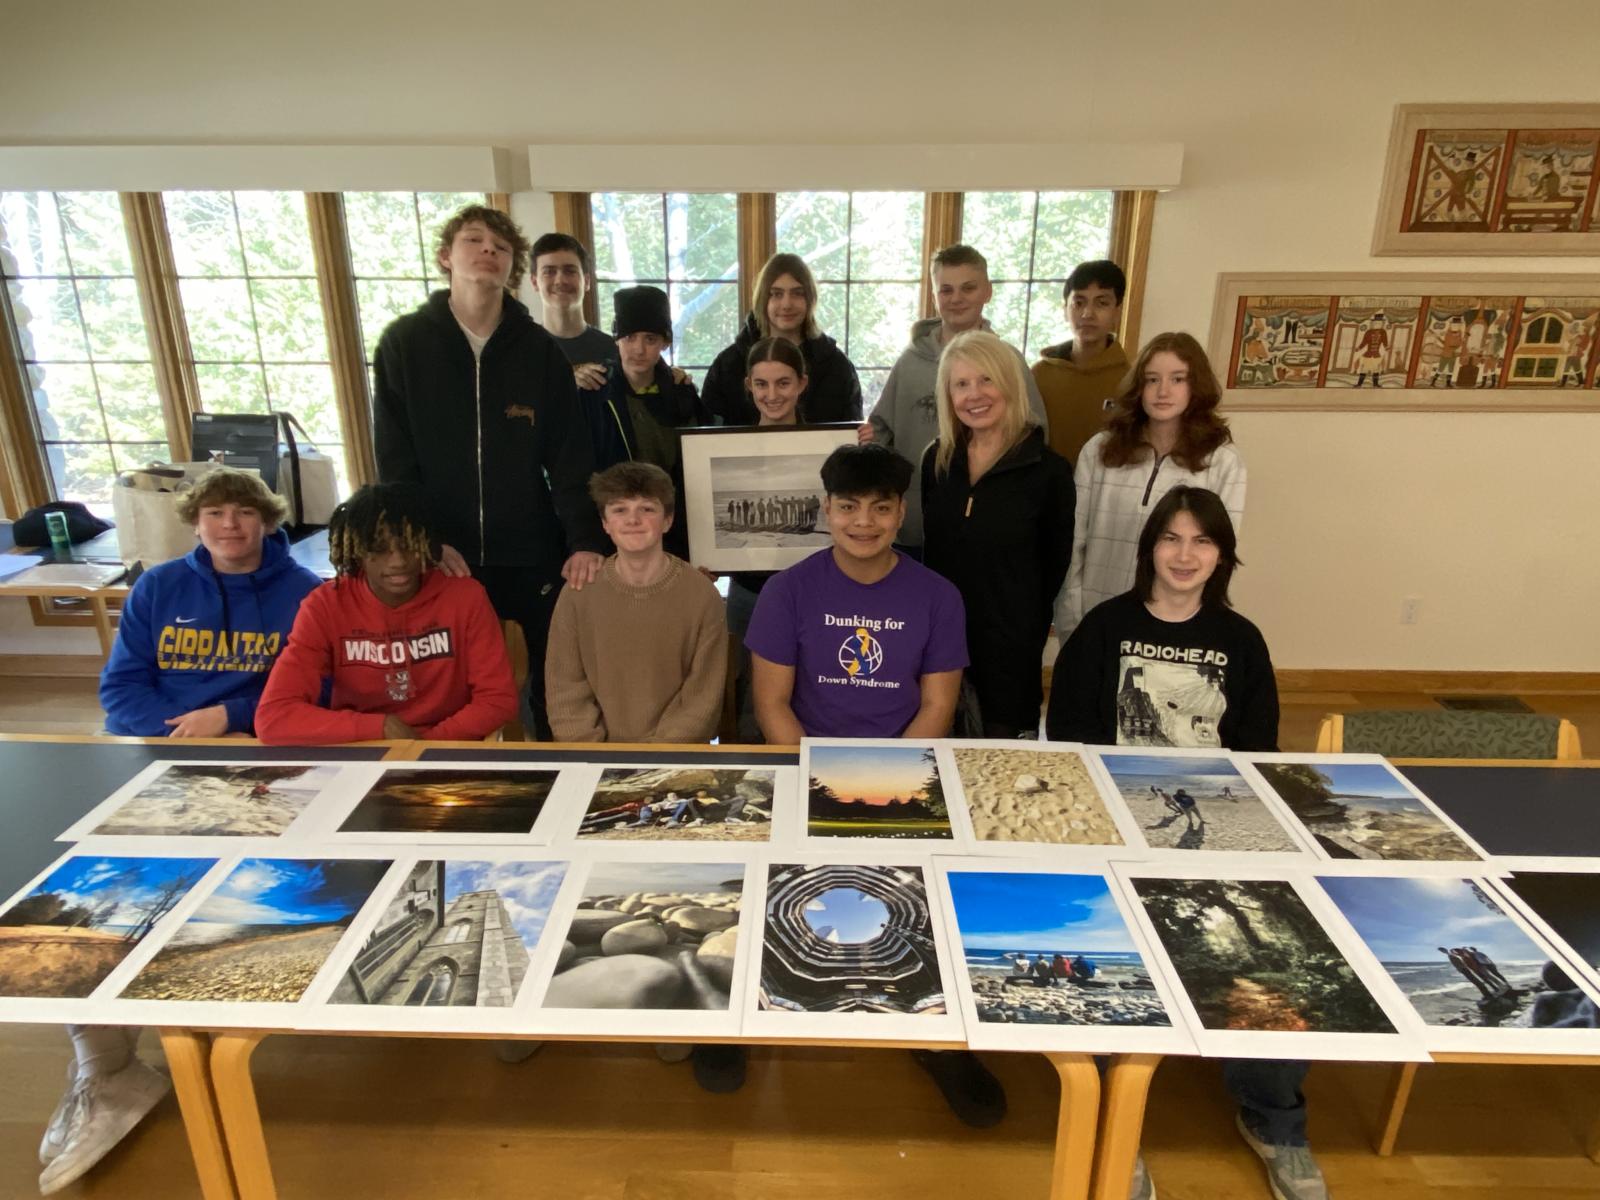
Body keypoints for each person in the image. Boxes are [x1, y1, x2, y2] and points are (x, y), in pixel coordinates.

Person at [1045, 489, 1323, 1200]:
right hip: (1110, 821)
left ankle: (1275, 1123)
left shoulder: (1241, 639)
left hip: (1211, 821)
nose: (1184, 554)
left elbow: (1259, 748)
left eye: (1201, 541)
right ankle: (1116, 1126)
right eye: (1170, 538)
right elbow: (1071, 742)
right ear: (1150, 550)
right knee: (1108, 954)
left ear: (1222, 555)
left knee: (1273, 954)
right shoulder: (1105, 629)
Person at [746, 444, 998, 1124]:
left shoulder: (936, 596)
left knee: (917, 904)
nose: (865, 522)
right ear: (826, 511)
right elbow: (772, 702)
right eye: (849, 507)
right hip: (803, 765)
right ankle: (743, 1016)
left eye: (881, 508)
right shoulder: (788, 591)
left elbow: (938, 707)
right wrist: (817, 788)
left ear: (900, 512)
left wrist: (884, 788)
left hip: (903, 770)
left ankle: (940, 1040)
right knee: (773, 889)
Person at [372, 203, 607, 739]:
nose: (488, 252)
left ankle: (556, 783)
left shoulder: (540, 352)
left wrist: (585, 541)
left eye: (500, 247)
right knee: (447, 690)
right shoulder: (405, 344)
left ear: (512, 268)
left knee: (556, 683)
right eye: (474, 241)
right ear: (445, 258)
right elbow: (394, 461)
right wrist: (422, 540)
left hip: (531, 552)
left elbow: (571, 458)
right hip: (444, 553)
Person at [255, 484, 518, 744]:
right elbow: (273, 717)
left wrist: (423, 747)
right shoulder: (324, 605)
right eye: (379, 549)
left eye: (408, 545)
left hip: (446, 745)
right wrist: (380, 727)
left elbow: (497, 700)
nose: (398, 562)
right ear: (356, 550)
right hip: (361, 748)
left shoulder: (465, 597)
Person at [920, 330, 1072, 738]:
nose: (975, 394)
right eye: (962, 384)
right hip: (941, 643)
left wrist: (1019, 626)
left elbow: (1054, 568)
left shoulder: (1050, 472)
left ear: (1009, 384)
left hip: (1010, 650)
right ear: (948, 394)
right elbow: (932, 553)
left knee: (996, 772)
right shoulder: (937, 460)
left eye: (986, 380)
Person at [99, 467, 320, 737]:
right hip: (158, 731)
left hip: (253, 731)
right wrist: (184, 730)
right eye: (215, 513)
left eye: (246, 512)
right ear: (195, 523)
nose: (230, 524)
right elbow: (121, 685)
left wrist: (234, 717)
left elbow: (319, 688)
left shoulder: (307, 592)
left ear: (268, 523)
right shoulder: (156, 585)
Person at [1055, 331, 1245, 641]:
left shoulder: (1223, 462)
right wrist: (1072, 616)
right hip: (1097, 612)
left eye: (1178, 379)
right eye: (1152, 379)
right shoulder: (1101, 450)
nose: (1163, 391)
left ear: (1195, 386)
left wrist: (1202, 625)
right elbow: (1074, 541)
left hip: (1175, 621)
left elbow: (1218, 556)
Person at [865, 244, 1049, 554]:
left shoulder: (1009, 363)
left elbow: (1035, 437)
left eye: (968, 288)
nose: (957, 298)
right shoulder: (909, 363)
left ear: (987, 291)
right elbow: (880, 433)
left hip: (990, 530)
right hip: (914, 527)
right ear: (934, 296)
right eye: (946, 289)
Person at [544, 462, 726, 743]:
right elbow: (565, 687)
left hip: (675, 757)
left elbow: (702, 696)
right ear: (605, 523)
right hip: (593, 758)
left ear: (667, 520)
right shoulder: (578, 593)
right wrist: (590, 755)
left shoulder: (701, 594)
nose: (633, 520)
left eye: (647, 509)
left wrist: (652, 758)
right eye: (619, 510)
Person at [723, 337, 819, 740]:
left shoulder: (828, 446)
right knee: (748, 694)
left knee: (813, 686)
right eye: (761, 384)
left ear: (801, 383)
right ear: (748, 385)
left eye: (782, 383)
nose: (772, 394)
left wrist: (858, 448)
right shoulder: (725, 448)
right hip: (748, 591)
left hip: (812, 590)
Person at [583, 288, 709, 558]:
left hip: (672, 534)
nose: (639, 349)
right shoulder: (595, 393)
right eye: (629, 338)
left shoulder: (681, 394)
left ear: (665, 342)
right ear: (617, 340)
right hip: (612, 534)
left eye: (650, 339)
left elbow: (697, 470)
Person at [700, 252, 862, 426]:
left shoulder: (837, 366)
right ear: (763, 299)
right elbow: (708, 433)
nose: (786, 304)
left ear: (810, 299)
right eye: (776, 294)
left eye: (797, 293)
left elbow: (851, 434)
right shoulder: (728, 365)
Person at [1032, 260, 1130, 465]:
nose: (1088, 314)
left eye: (1101, 303)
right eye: (1079, 302)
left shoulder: (1130, 379)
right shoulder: (1039, 374)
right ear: (1065, 309)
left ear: (1117, 311)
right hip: (1045, 489)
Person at [529, 231, 615, 383]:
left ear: (587, 281)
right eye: (549, 272)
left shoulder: (612, 350)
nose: (560, 280)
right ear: (535, 282)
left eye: (570, 271)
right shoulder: (522, 351)